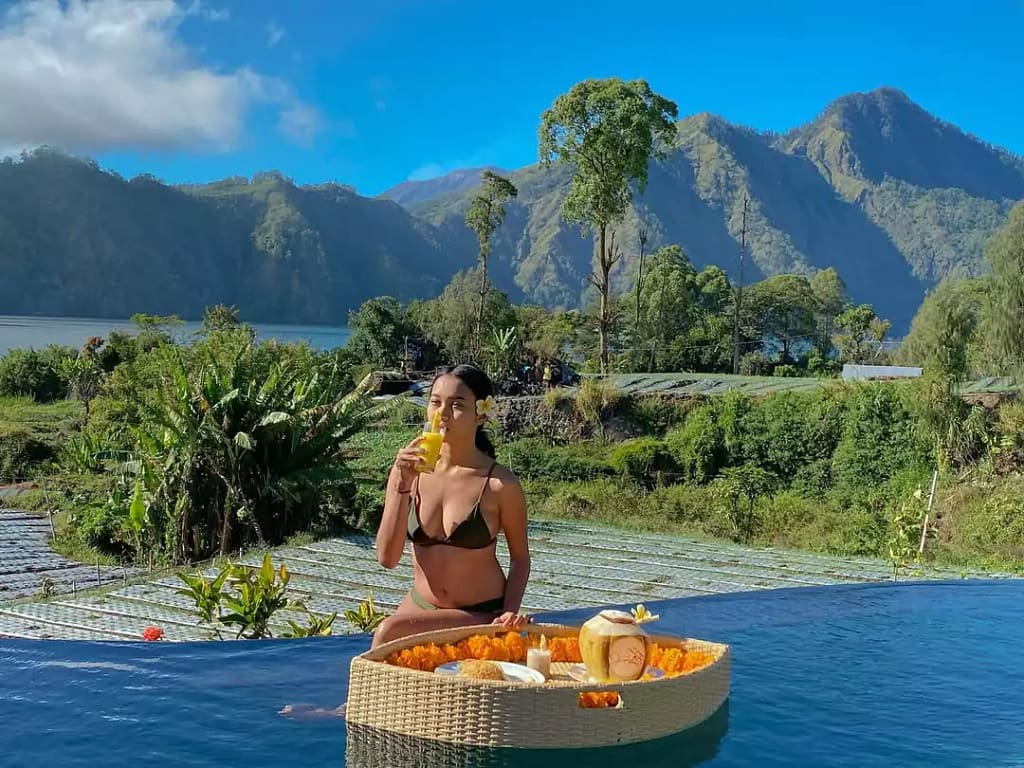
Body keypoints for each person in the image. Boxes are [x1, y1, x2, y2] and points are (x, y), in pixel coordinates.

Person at [371, 364, 532, 648]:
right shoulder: (407, 470)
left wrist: (508, 612)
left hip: (479, 614)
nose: (442, 414)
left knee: (388, 631)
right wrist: (402, 483)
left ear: (480, 414)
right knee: (387, 650)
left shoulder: (499, 485)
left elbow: (520, 559)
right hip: (420, 607)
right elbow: (387, 559)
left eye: (456, 404)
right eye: (435, 402)